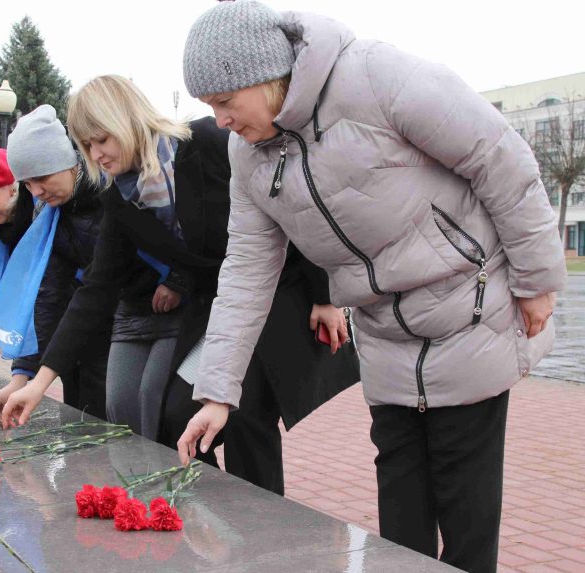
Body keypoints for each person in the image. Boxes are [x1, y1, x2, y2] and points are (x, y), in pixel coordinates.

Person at [177, 2, 566, 572]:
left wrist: (536, 279)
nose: (220, 121)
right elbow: (245, 269)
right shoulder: (248, 153)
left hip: (467, 311)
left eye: (224, 103)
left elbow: (499, 158)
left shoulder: (377, 77)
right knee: (399, 525)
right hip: (383, 336)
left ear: (261, 75)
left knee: (466, 519)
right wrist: (219, 393)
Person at [0, 75, 359, 494]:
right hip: (218, 314)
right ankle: (216, 514)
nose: (96, 155)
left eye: (101, 140)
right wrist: (39, 383)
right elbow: (94, 292)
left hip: (282, 290)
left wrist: (324, 296)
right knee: (174, 415)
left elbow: (293, 205)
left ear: (126, 120)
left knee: (245, 416)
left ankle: (262, 533)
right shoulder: (121, 200)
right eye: (86, 147)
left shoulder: (205, 142)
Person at [0, 111, 110, 419]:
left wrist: (27, 378)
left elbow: (73, 287)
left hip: (105, 329)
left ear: (9, 184)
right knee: (83, 418)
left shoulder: (47, 215)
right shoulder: (8, 230)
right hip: (71, 337)